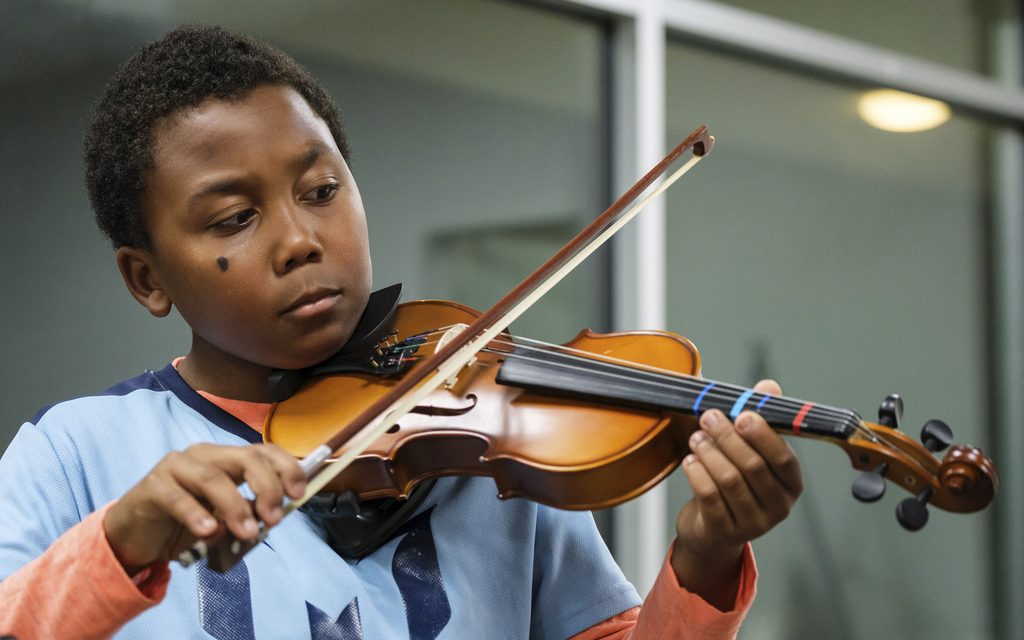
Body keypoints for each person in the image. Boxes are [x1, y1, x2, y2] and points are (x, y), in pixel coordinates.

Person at [0, 25, 802, 639]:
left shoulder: (493, 440)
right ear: (148, 278)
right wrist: (119, 542)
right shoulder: (78, 454)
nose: (299, 241)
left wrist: (705, 555)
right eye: (236, 218)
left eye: (321, 190)